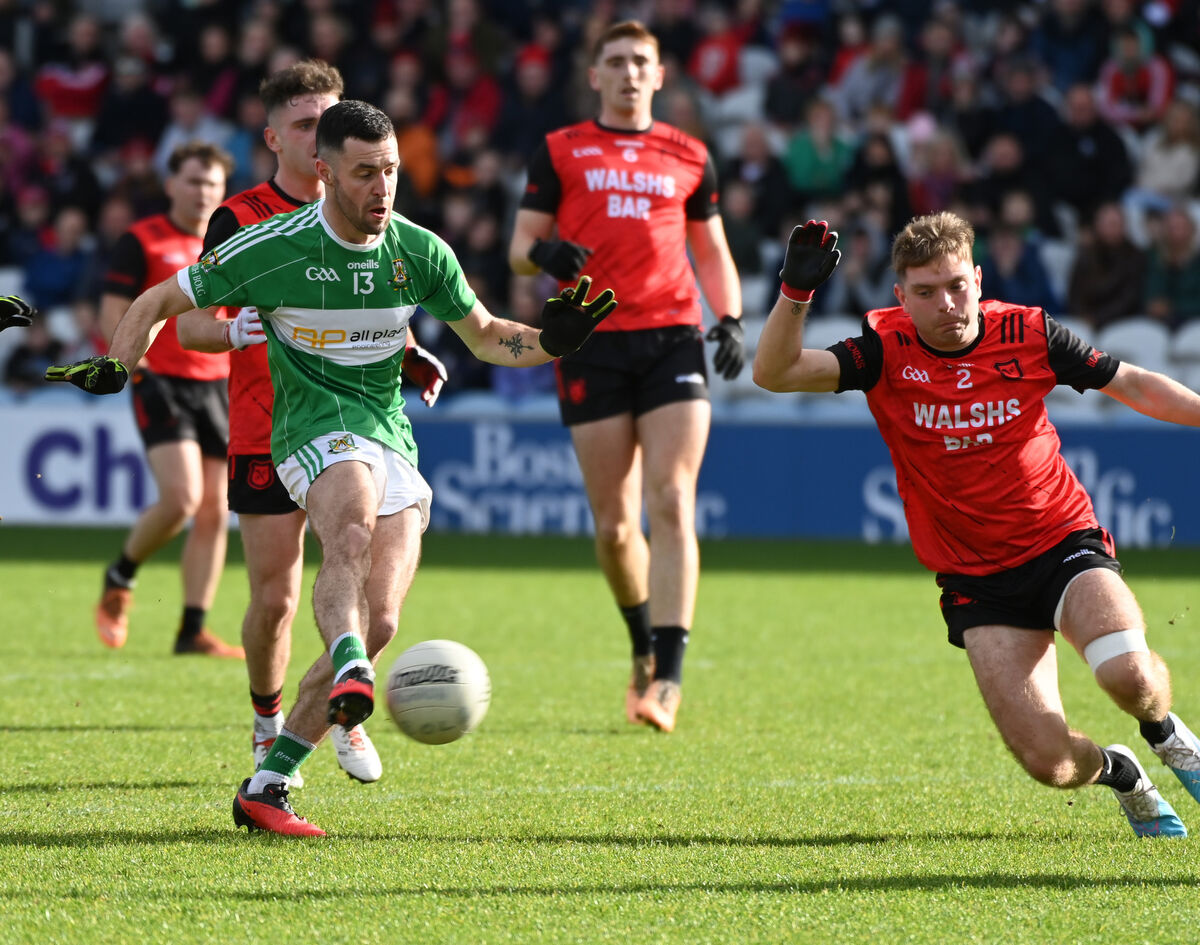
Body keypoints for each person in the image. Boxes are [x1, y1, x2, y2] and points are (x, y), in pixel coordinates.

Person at [47, 99, 616, 837]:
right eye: (364, 174)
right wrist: (119, 364)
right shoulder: (271, 246)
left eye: (391, 172)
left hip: (390, 432)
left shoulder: (420, 250)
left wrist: (551, 340)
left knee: (381, 619)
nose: (383, 188)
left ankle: (268, 781)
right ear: (324, 173)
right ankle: (347, 665)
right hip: (312, 428)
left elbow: (487, 338)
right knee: (346, 536)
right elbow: (162, 299)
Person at [753, 211, 1200, 838]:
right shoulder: (883, 349)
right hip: (977, 579)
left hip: (1060, 540)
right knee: (1048, 762)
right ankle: (1122, 773)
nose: (947, 303)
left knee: (1129, 677)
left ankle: (1167, 736)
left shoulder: (1030, 332)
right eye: (927, 291)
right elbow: (773, 374)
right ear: (900, 297)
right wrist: (795, 293)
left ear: (979, 279)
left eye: (957, 284)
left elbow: (1132, 383)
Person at [175, 60, 449, 788]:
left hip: (356, 423)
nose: (316, 133)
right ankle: (268, 727)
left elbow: (376, 310)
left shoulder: (376, 223)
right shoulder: (242, 217)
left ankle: (342, 714)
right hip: (268, 421)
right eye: (304, 124)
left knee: (359, 568)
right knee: (277, 599)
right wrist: (248, 332)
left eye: (327, 118)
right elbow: (196, 327)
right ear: (280, 140)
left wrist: (410, 350)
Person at [508, 20, 744, 734]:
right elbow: (519, 249)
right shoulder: (561, 149)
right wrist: (545, 252)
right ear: (596, 74)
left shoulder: (690, 154)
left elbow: (712, 250)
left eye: (642, 60)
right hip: (589, 337)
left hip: (672, 336)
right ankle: (640, 641)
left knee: (672, 499)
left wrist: (728, 317)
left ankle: (668, 678)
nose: (630, 71)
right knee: (614, 527)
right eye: (616, 60)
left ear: (660, 75)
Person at [94, 141, 244, 657]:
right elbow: (113, 312)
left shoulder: (232, 242)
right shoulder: (141, 240)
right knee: (181, 500)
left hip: (219, 384)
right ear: (170, 185)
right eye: (194, 181)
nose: (203, 192)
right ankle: (122, 574)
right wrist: (135, 368)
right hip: (160, 381)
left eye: (213, 184)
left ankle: (192, 629)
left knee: (213, 512)